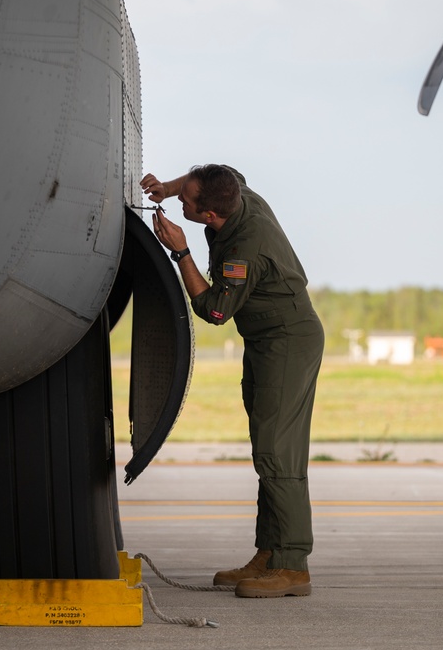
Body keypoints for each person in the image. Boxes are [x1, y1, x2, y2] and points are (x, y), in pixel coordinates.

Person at [141, 165, 325, 598]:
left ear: (208, 216)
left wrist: (181, 252)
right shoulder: (239, 195)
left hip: (286, 343)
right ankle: (270, 554)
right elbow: (226, 171)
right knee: (269, 450)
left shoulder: (246, 247)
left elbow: (215, 311)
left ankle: (293, 566)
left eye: (185, 201)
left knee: (277, 453)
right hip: (266, 343)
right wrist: (169, 186)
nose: (178, 202)